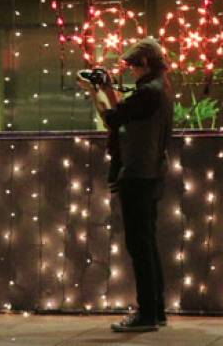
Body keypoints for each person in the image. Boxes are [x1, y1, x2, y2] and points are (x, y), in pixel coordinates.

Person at [79, 38, 174, 333]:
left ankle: (147, 315)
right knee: (147, 243)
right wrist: (108, 90)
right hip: (151, 171)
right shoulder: (161, 87)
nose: (131, 71)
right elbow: (125, 112)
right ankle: (155, 310)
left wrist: (94, 92)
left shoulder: (148, 92)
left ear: (144, 62)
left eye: (133, 65)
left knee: (139, 245)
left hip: (138, 172)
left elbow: (113, 118)